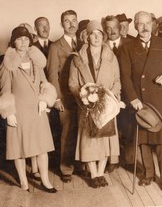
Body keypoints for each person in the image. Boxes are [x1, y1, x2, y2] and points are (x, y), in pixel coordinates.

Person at [119, 11, 162, 191]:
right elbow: (125, 77)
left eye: (147, 24)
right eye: (140, 24)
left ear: (153, 25)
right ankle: (148, 174)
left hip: (161, 98)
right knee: (143, 140)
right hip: (141, 101)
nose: (144, 28)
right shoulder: (127, 47)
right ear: (135, 26)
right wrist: (133, 99)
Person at [0, 26, 57, 193]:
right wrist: (8, 112)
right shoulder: (7, 65)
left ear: (30, 41)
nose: (23, 42)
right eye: (19, 39)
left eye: (26, 39)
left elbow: (44, 83)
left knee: (42, 147)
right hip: (18, 112)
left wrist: (45, 100)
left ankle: (45, 181)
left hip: (37, 111)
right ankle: (24, 182)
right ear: (13, 42)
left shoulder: (36, 61)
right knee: (18, 149)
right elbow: (5, 91)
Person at [69, 20, 121, 187]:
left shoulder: (111, 57)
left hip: (106, 106)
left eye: (100, 34)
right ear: (87, 36)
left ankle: (100, 173)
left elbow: (117, 81)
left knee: (106, 139)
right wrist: (83, 98)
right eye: (93, 34)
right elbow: (72, 83)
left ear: (103, 37)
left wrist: (111, 97)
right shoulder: (77, 59)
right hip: (87, 106)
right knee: (89, 140)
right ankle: (93, 174)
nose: (97, 37)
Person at [47, 10, 82, 183]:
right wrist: (56, 99)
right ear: (62, 24)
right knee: (68, 133)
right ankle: (66, 168)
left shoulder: (83, 43)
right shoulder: (55, 46)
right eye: (67, 21)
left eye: (74, 20)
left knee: (84, 132)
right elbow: (52, 74)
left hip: (84, 97)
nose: (71, 24)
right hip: (65, 98)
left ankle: (82, 165)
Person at [103, 15, 134, 172]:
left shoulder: (131, 43)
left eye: (114, 27)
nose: (112, 31)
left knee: (128, 127)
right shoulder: (101, 46)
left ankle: (129, 161)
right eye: (108, 28)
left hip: (128, 94)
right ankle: (112, 160)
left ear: (120, 28)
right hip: (110, 95)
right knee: (111, 129)